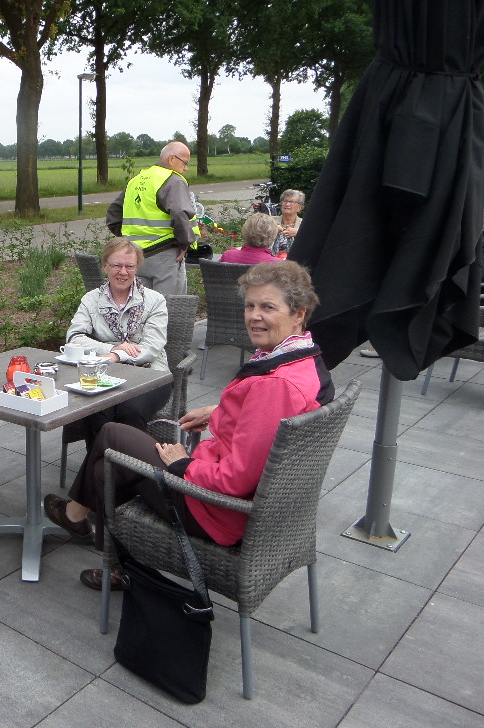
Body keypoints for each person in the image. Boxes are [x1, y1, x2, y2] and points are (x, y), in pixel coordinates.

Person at [44, 261, 333, 589]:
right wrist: (221, 411)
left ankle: (82, 523)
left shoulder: (276, 386)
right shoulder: (302, 361)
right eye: (250, 306)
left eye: (268, 307)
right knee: (106, 470)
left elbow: (236, 480)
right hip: (236, 504)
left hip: (214, 509)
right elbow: (266, 422)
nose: (254, 316)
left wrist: (183, 464)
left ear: (298, 314)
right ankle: (115, 560)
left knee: (112, 437)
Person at [64, 237, 173, 447]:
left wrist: (116, 355)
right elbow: (74, 337)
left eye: (129, 266)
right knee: (96, 409)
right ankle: (99, 464)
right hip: (106, 374)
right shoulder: (91, 300)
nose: (123, 272)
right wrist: (111, 348)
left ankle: (130, 465)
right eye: (117, 265)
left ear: (136, 268)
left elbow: (152, 347)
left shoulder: (154, 301)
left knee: (130, 410)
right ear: (105, 266)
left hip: (150, 373)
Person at [105, 140, 200, 296]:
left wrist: (128, 238)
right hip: (165, 254)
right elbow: (180, 213)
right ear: (171, 159)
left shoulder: (137, 180)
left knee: (141, 305)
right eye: (185, 163)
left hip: (135, 256)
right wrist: (184, 244)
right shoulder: (173, 180)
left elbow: (113, 214)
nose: (186, 168)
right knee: (168, 305)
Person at [270, 189, 306, 257]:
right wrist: (272, 230)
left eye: (292, 202)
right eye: (285, 201)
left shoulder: (305, 224)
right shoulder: (270, 221)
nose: (287, 204)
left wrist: (299, 233)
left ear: (299, 208)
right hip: (272, 259)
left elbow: (313, 241)